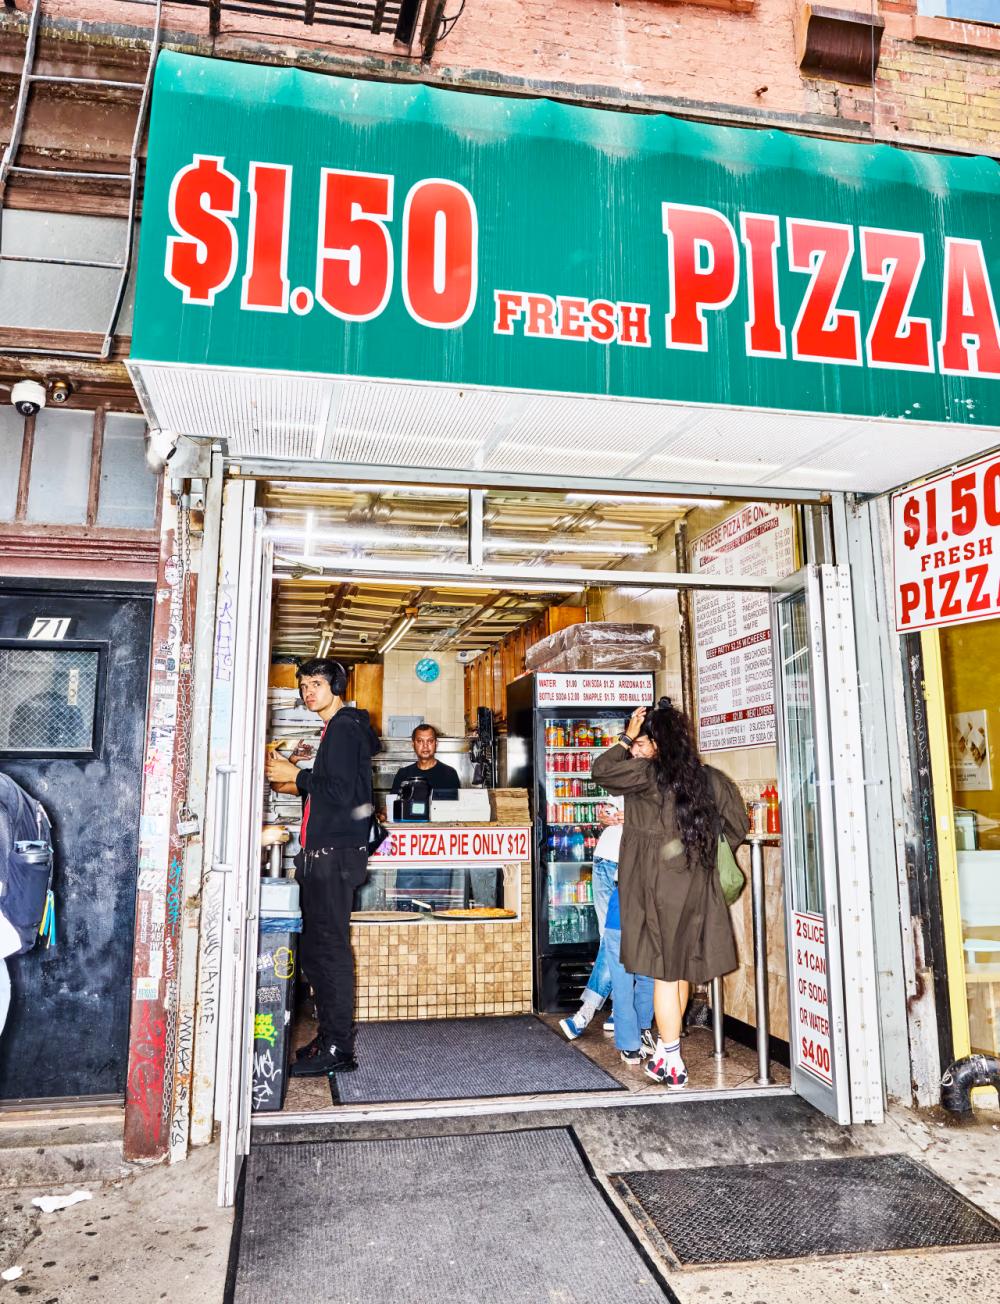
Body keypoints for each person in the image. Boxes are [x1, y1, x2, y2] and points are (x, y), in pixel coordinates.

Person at [592, 697, 748, 1089]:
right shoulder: (708, 778)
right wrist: (700, 854)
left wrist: (625, 738)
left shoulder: (645, 776)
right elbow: (737, 826)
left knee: (663, 973)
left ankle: (674, 1062)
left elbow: (601, 770)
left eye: (643, 742)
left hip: (656, 888)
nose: (637, 748)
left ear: (658, 743)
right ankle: (664, 1051)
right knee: (679, 972)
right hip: (695, 888)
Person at [265, 657, 381, 1077]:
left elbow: (343, 792)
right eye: (303, 685)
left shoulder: (345, 727)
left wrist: (298, 774)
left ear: (336, 686)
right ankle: (329, 1036)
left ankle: (338, 1047)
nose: (307, 691)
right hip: (324, 855)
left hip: (333, 857)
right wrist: (297, 779)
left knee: (328, 952)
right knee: (316, 951)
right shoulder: (335, 729)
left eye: (315, 683)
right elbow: (331, 791)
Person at [603, 885, 655, 1066]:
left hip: (619, 919)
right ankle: (641, 1031)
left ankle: (630, 1044)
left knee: (623, 986)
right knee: (648, 979)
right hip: (647, 921)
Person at [389, 723, 460, 799]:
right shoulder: (403, 774)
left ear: (436, 744)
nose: (425, 746)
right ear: (413, 744)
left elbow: (456, 805)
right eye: (420, 741)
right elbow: (392, 803)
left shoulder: (449, 774)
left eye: (430, 741)